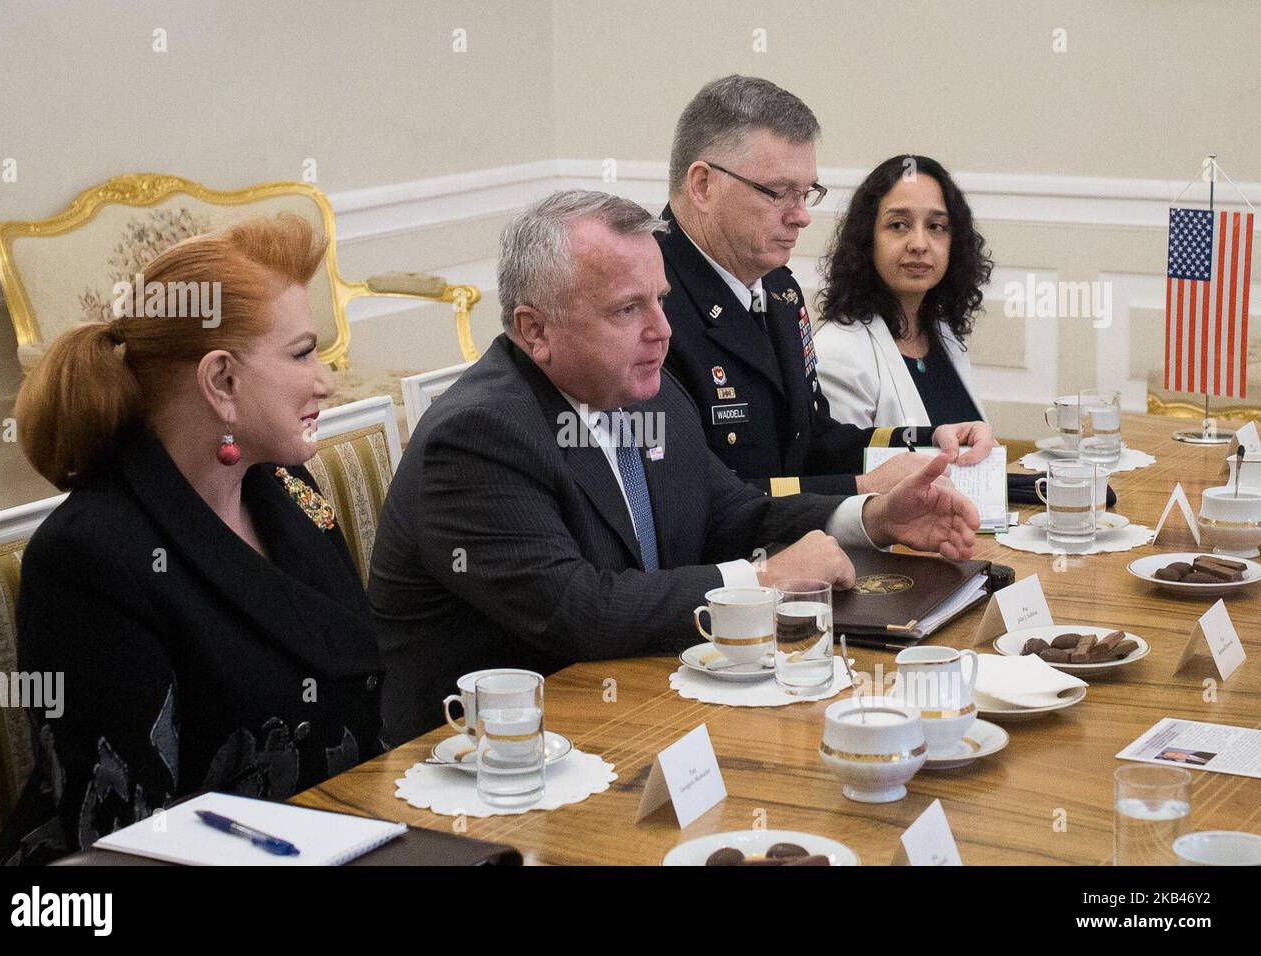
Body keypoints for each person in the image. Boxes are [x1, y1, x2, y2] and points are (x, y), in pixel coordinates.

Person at [367, 190, 981, 744]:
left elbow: (730, 512)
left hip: (634, 708)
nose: (663, 331)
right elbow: (582, 610)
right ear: (535, 330)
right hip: (490, 757)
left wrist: (874, 517)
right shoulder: (480, 436)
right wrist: (762, 584)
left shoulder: (645, 393)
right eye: (627, 310)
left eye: (660, 300)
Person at [0, 215, 385, 864]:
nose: (327, 380)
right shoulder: (89, 560)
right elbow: (127, 842)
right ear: (221, 382)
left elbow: (361, 707)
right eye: (302, 352)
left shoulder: (288, 486)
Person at [659, 75, 993, 498]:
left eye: (807, 193)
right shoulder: (649, 303)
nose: (801, 216)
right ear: (703, 184)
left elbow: (812, 441)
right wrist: (862, 488)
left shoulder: (777, 289)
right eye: (779, 193)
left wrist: (928, 441)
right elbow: (695, 498)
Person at [814, 155, 992, 429]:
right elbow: (848, 468)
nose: (919, 244)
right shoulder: (839, 353)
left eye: (936, 227)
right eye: (899, 225)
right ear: (866, 238)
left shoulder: (943, 335)